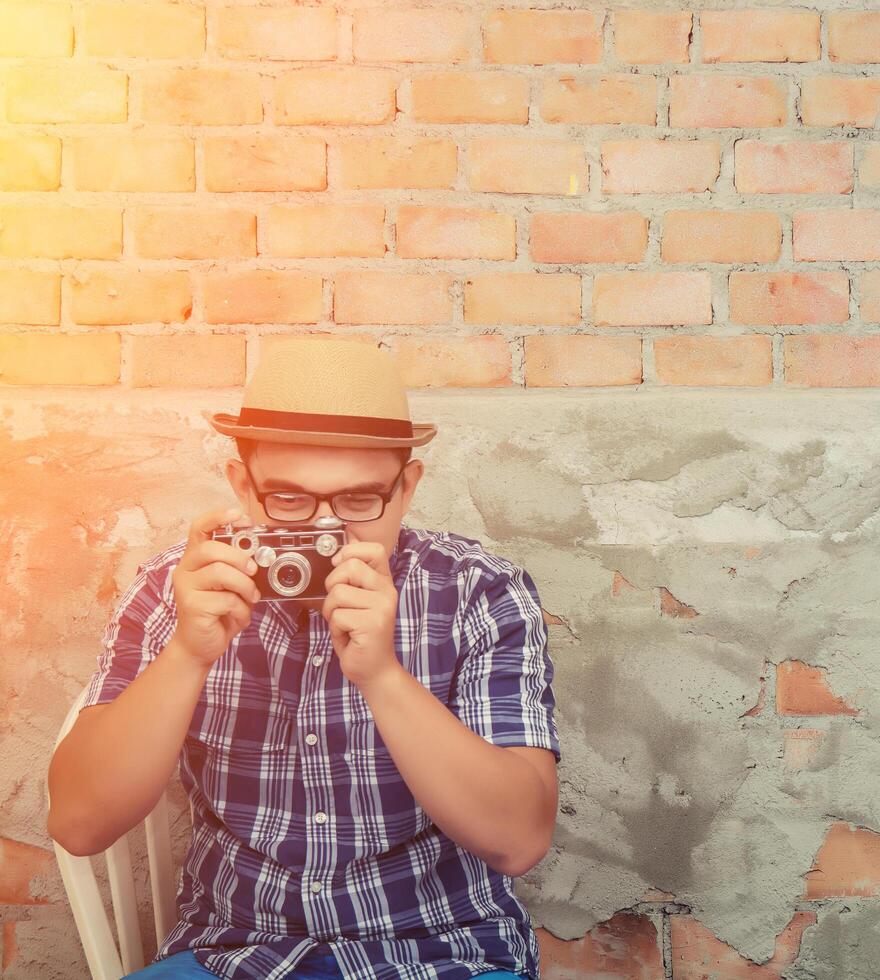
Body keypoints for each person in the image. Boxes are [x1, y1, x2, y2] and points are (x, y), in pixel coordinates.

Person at [47, 338, 561, 979]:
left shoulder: (478, 590)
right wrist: (186, 653)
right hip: (231, 952)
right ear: (242, 485)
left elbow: (518, 841)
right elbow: (78, 824)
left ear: (406, 489)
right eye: (288, 499)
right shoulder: (175, 589)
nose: (326, 533)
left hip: (442, 951)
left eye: (357, 501)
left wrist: (382, 678)